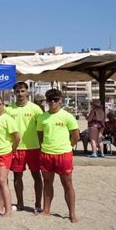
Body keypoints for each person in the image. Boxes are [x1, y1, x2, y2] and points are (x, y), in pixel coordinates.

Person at [36, 88, 80, 223]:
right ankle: (46, 210)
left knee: (67, 184)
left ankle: (72, 213)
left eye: (55, 100)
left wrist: (67, 147)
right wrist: (46, 147)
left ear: (60, 100)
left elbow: (75, 136)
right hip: (47, 154)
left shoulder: (67, 116)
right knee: (47, 182)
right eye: (50, 100)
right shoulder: (42, 117)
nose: (52, 103)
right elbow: (40, 136)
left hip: (63, 154)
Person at [8, 82, 44, 213]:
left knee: (36, 175)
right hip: (17, 148)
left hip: (33, 147)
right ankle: (20, 203)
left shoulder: (35, 109)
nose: (20, 94)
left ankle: (38, 204)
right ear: (14, 93)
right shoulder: (9, 109)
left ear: (27, 92)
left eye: (22, 91)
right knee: (17, 177)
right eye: (18, 91)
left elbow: (42, 128)